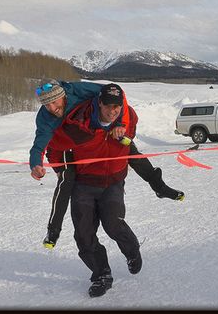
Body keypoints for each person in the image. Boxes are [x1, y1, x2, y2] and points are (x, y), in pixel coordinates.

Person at [30, 78, 184, 249]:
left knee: (129, 151)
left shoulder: (76, 90)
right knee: (66, 179)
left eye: (53, 101)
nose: (52, 108)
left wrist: (120, 124)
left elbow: (116, 94)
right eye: (46, 104)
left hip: (98, 128)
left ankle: (159, 187)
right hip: (68, 141)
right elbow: (38, 145)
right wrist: (35, 164)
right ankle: (53, 230)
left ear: (62, 94)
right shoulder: (45, 118)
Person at [47, 83, 142, 297]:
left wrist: (124, 130)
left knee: (113, 224)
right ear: (99, 103)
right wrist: (58, 167)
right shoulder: (79, 120)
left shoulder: (127, 117)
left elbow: (132, 132)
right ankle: (101, 274)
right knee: (83, 234)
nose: (112, 111)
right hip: (84, 183)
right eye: (107, 106)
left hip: (113, 182)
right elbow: (55, 143)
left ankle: (132, 250)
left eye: (116, 107)